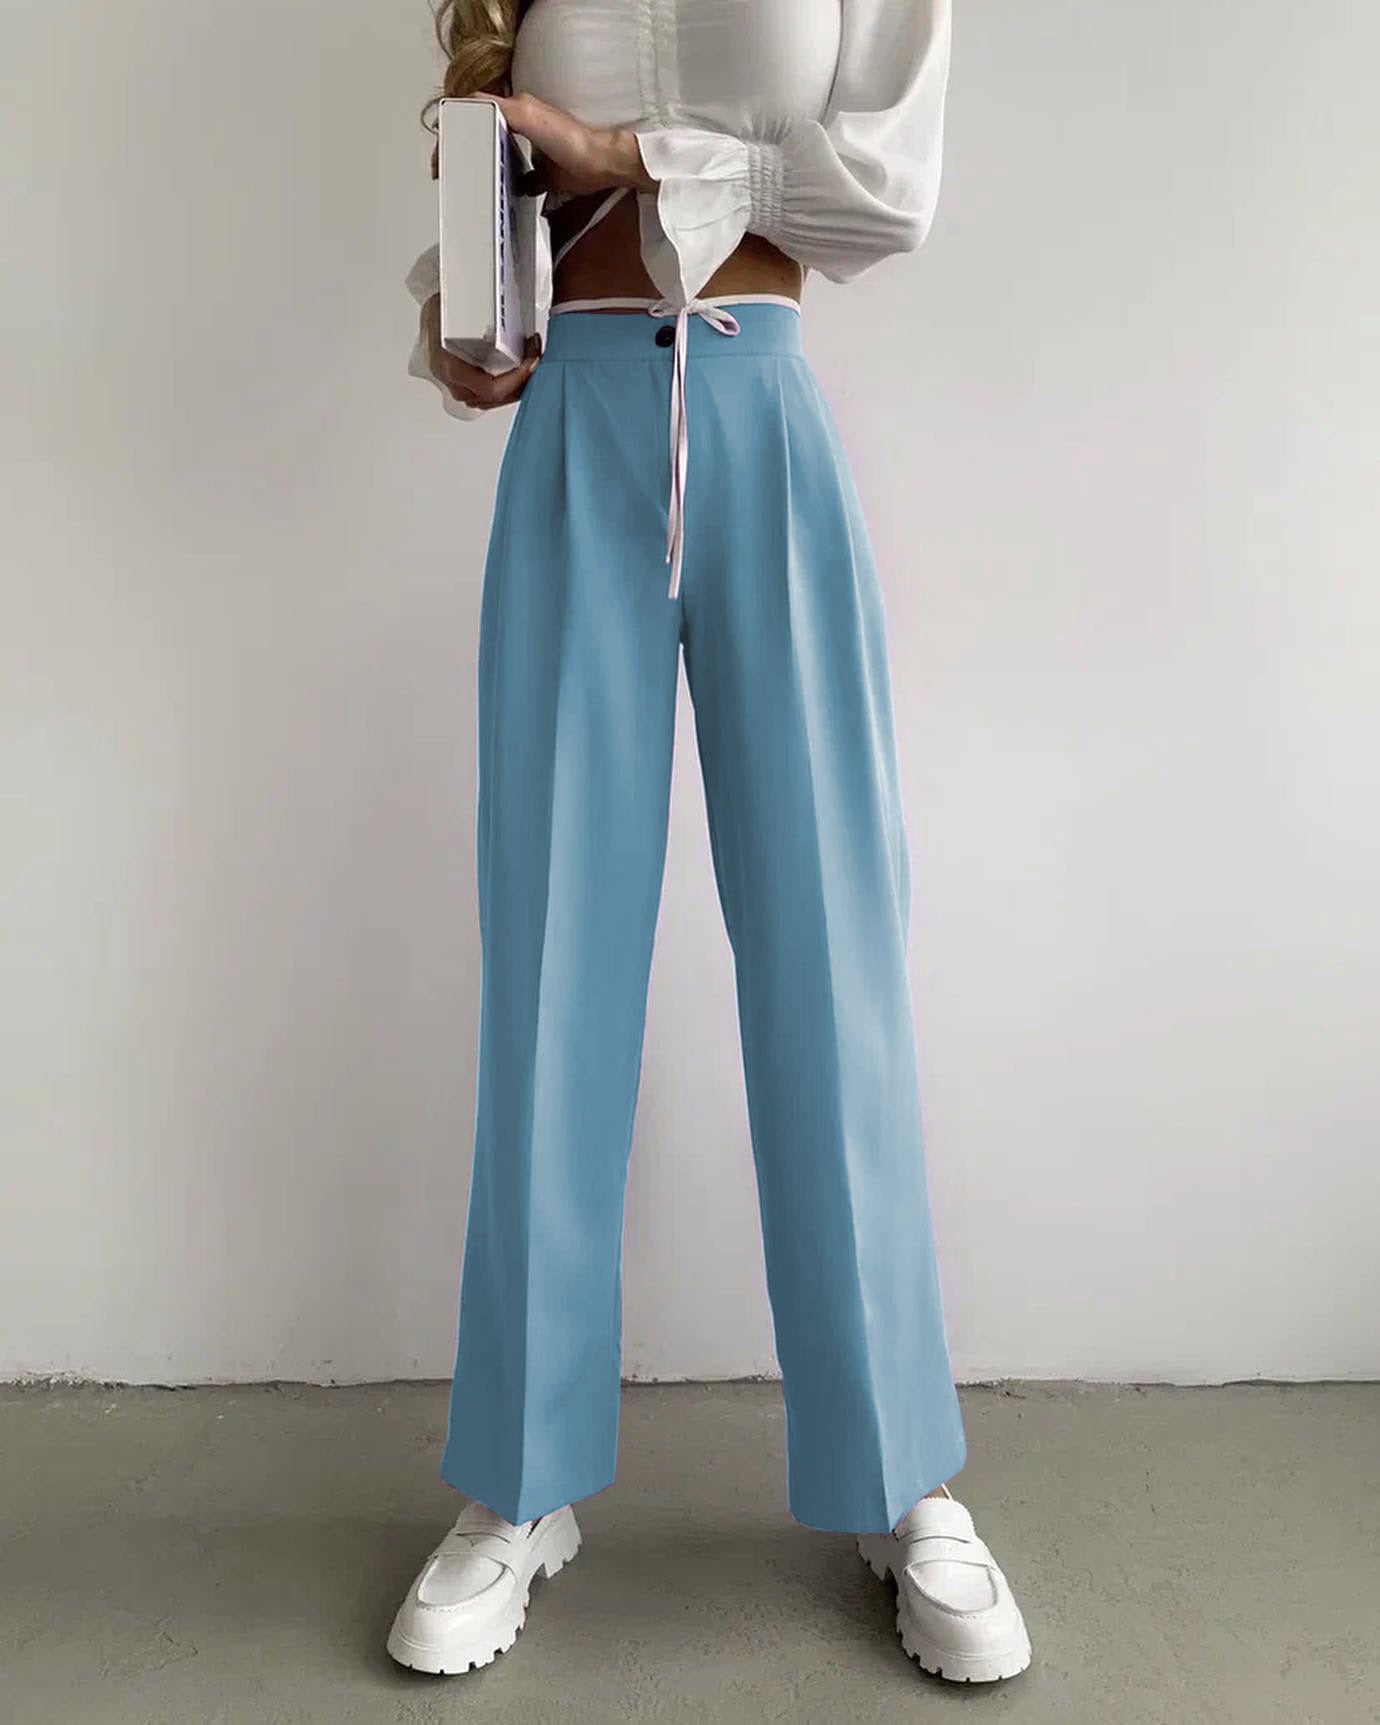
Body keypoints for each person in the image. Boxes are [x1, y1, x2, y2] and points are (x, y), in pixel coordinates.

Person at [389, 0, 1032, 1687]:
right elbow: (498, 191)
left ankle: (900, 1473)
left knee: (832, 952)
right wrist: (461, 313)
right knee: (550, 961)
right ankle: (522, 1476)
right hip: (576, 425)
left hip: (762, 408)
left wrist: (629, 155)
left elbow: (884, 190)